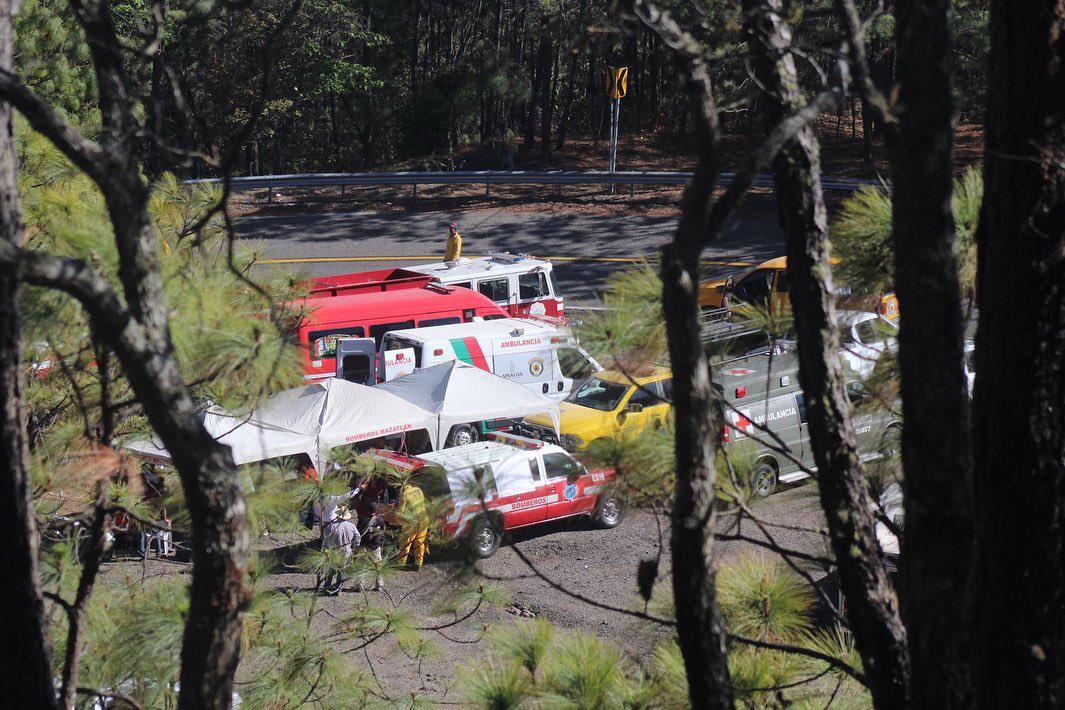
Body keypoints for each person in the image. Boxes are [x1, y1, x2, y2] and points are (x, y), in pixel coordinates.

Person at [391, 482, 430, 570]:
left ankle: (400, 563)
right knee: (419, 542)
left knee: (406, 543)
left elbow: (399, 512)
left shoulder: (404, 495)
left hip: (412, 523)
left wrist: (394, 511)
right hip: (424, 519)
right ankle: (418, 564)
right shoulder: (418, 490)